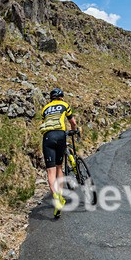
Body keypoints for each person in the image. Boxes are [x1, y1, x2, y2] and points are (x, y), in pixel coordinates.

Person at [39, 88, 77, 218]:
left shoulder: (45, 109)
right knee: (59, 167)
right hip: (61, 135)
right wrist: (74, 130)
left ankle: (57, 199)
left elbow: (44, 122)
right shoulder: (64, 105)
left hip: (48, 137)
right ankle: (60, 194)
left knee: (51, 171)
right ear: (61, 97)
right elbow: (73, 122)